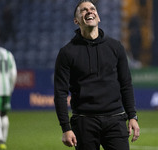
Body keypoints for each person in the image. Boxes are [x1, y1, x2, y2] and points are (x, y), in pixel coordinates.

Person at [54, 0, 140, 150]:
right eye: (83, 10)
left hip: (115, 120)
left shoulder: (116, 47)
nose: (89, 11)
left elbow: (125, 84)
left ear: (98, 17)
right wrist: (66, 128)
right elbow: (60, 93)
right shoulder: (67, 53)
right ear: (76, 20)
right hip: (84, 122)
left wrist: (132, 116)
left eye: (92, 8)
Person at [0, 43, 17, 149]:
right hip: (6, 89)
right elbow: (13, 73)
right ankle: (3, 141)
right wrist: (10, 88)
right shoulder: (7, 54)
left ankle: (0, 139)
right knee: (4, 114)